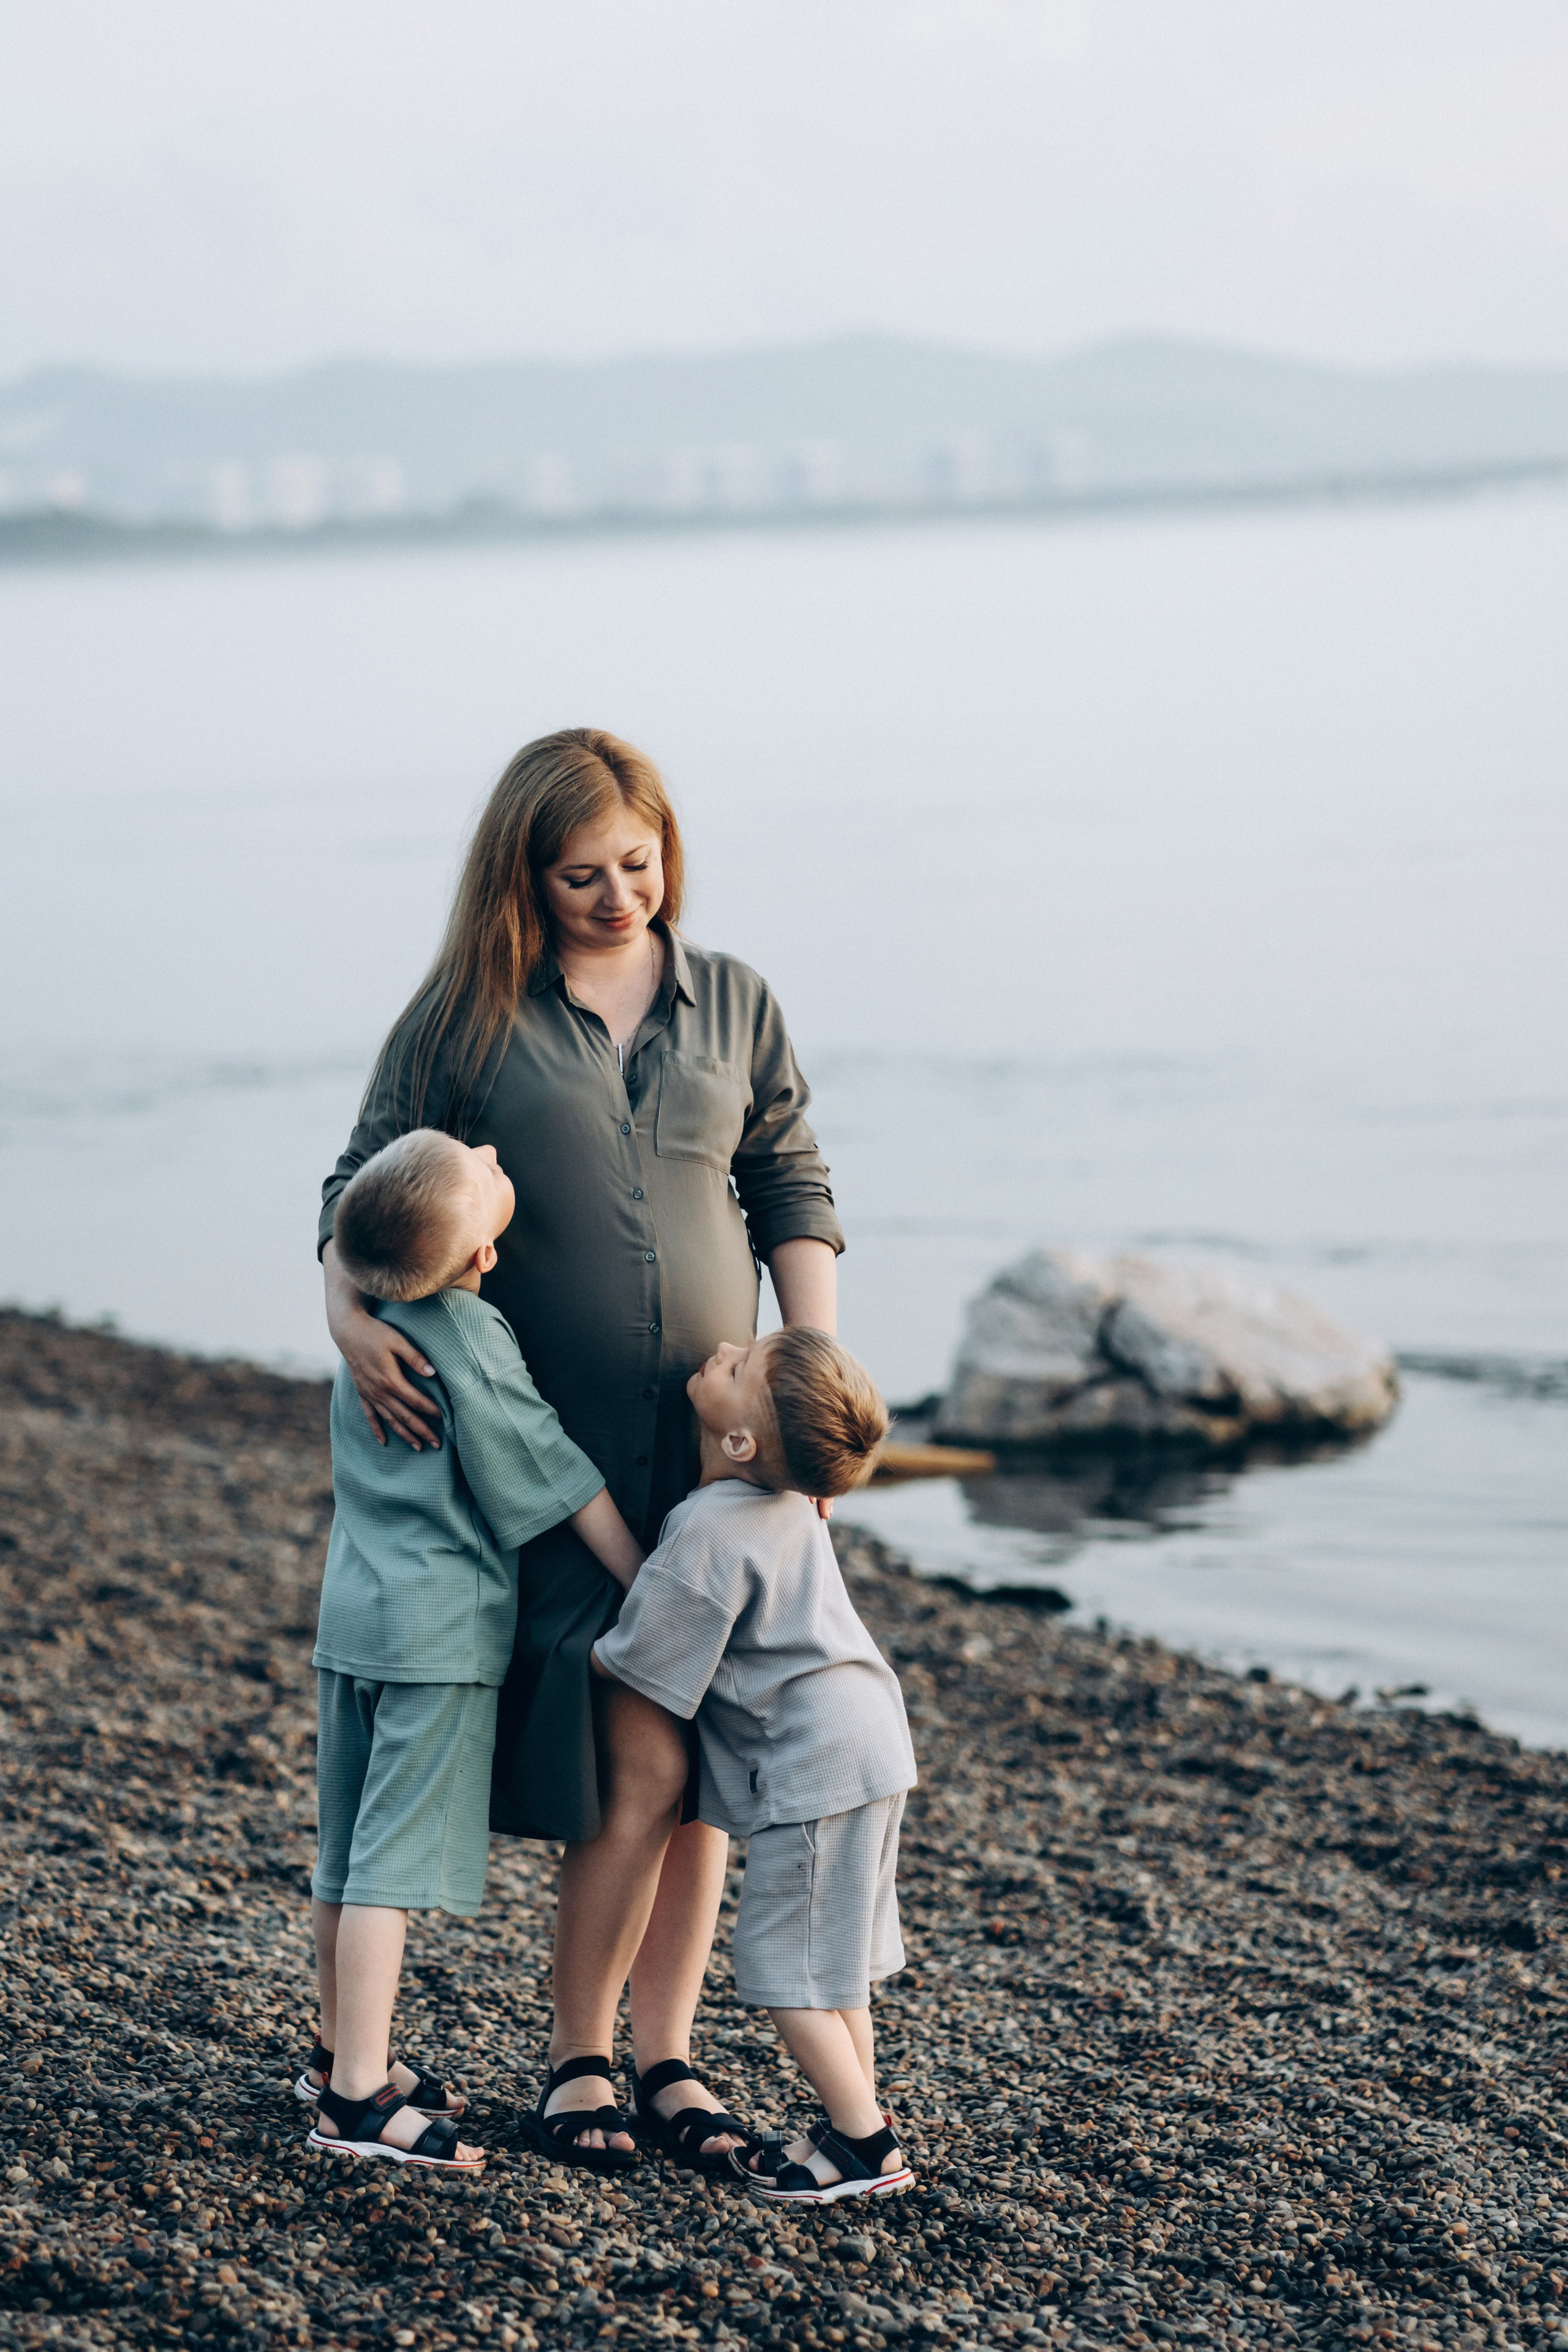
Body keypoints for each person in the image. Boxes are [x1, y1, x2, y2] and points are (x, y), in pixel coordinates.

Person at [318, 728, 844, 2170]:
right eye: (580, 876)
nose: (620, 896)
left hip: (719, 1444)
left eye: (639, 863)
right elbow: (356, 1185)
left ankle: (658, 2057)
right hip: (545, 1460)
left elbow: (788, 1178)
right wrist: (349, 1318)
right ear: (523, 878)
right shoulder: (467, 1016)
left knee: (699, 1763)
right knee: (619, 1757)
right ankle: (577, 2061)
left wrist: (807, 1370)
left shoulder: (731, 1001)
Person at [304, 1126, 644, 2172]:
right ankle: (359, 2100)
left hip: (354, 1615)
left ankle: (333, 2057)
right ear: (482, 1259)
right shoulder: (463, 1331)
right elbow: (552, 1471)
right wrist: (648, 1585)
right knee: (389, 1868)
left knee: (346, 1848)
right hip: (438, 1635)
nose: (499, 1150)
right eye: (488, 1172)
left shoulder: (371, 1332)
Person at [592, 1326, 919, 2206]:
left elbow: (648, 1654)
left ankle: (866, 2144)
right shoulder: (790, 1506)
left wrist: (567, 1659)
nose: (726, 1347)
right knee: (836, 1961)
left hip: (814, 1757)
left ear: (740, 1442)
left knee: (787, 1969)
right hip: (872, 1739)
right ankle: (854, 2120)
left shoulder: (707, 1524)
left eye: (740, 1366)